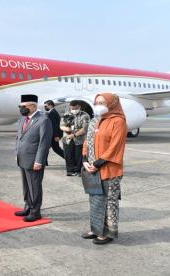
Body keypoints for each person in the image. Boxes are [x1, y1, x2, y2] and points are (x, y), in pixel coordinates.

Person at [81, 93, 127, 245]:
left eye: (102, 102)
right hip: (92, 169)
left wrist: (98, 163)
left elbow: (116, 146)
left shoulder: (118, 121)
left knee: (109, 201)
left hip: (109, 169)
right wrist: (85, 160)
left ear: (112, 104)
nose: (98, 104)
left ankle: (107, 233)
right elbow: (86, 142)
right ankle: (95, 229)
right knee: (95, 200)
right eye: (96, 102)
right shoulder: (94, 120)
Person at [14, 94, 53, 223]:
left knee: (34, 186)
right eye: (20, 106)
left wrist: (39, 161)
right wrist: (17, 153)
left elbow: (44, 143)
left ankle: (35, 212)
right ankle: (28, 207)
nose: (21, 108)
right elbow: (18, 138)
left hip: (34, 160)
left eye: (24, 106)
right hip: (22, 158)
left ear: (33, 106)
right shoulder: (22, 119)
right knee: (26, 186)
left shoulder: (43, 120)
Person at [60, 100, 90, 176]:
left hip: (79, 139)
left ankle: (78, 171)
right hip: (67, 139)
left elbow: (85, 128)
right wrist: (67, 129)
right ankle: (70, 171)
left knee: (79, 156)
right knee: (68, 155)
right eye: (72, 108)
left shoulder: (85, 115)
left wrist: (74, 134)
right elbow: (61, 125)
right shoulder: (66, 114)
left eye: (75, 108)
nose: (73, 110)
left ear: (79, 107)